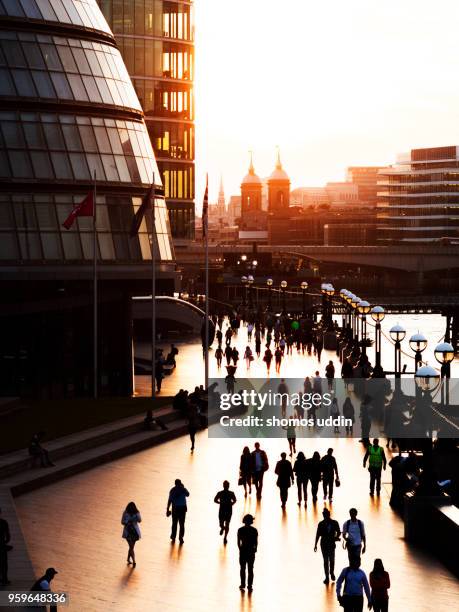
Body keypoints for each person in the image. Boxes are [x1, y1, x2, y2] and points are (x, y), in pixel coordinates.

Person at [314, 508, 341, 584]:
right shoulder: (321, 524)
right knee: (326, 561)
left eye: (326, 514)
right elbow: (318, 535)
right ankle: (327, 577)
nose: (325, 516)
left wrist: (336, 537)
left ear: (329, 514)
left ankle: (331, 572)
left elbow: (339, 531)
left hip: (331, 543)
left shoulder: (334, 523)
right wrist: (315, 544)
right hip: (324, 544)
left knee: (331, 560)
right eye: (324, 514)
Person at [237, 514, 258, 592]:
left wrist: (240, 549)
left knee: (242, 568)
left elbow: (238, 542)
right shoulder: (254, 530)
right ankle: (249, 585)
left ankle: (243, 584)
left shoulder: (240, 530)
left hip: (243, 550)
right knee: (250, 569)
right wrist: (255, 549)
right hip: (251, 551)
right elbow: (256, 542)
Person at [167, 479, 190, 544]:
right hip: (182, 509)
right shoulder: (183, 489)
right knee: (182, 524)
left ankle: (173, 536)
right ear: (180, 483)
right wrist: (183, 488)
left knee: (174, 523)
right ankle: (181, 537)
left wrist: (167, 509)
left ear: (175, 483)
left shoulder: (172, 490)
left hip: (175, 508)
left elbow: (170, 500)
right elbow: (188, 494)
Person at [121, 501, 141, 567]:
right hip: (128, 532)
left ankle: (128, 559)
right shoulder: (125, 512)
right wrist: (127, 522)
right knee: (131, 547)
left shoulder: (137, 512)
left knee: (131, 547)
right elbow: (122, 522)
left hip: (135, 532)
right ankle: (134, 561)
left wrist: (136, 517)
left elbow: (140, 520)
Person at [0, 507, 11, 586]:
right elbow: (8, 535)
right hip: (1, 545)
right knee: (4, 563)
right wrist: (5, 542)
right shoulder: (4, 522)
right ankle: (4, 579)